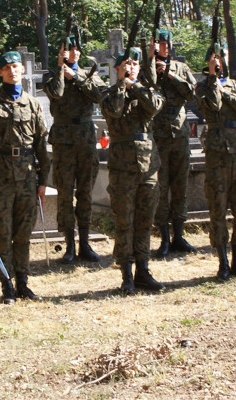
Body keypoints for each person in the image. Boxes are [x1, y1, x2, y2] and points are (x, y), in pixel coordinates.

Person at [0, 51, 50, 304]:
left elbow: (41, 144)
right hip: (0, 176)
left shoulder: (32, 103)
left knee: (24, 232)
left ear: (22, 71)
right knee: (2, 231)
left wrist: (43, 181)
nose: (13, 71)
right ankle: (6, 283)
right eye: (7, 68)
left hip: (27, 176)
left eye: (16, 66)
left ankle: (23, 282)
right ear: (0, 73)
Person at [102, 47, 165, 294]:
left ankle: (143, 270)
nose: (131, 68)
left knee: (145, 220)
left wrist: (136, 85)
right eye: (126, 65)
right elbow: (114, 111)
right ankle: (126, 273)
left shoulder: (148, 91)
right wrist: (122, 85)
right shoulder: (110, 94)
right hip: (122, 167)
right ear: (117, 69)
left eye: (135, 65)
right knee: (124, 221)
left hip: (149, 165)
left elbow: (153, 108)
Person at [196, 44, 236, 279]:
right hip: (217, 153)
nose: (219, 61)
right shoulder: (202, 87)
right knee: (218, 208)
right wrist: (212, 80)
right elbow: (212, 105)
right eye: (215, 58)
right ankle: (222, 260)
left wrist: (226, 90)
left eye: (222, 57)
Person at [43, 36, 104, 264]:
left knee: (85, 191)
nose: (74, 53)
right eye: (68, 49)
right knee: (65, 193)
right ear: (60, 52)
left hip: (86, 139)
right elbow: (56, 93)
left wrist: (75, 76)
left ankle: (85, 243)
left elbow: (98, 95)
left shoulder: (90, 75)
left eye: (76, 49)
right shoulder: (51, 75)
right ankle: (69, 244)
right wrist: (61, 70)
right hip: (63, 141)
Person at [148, 30, 199, 257]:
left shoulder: (181, 68)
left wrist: (170, 74)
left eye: (167, 43)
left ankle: (179, 234)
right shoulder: (147, 67)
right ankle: (164, 238)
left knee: (180, 184)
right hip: (158, 133)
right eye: (160, 43)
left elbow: (191, 93)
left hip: (179, 132)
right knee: (162, 186)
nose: (165, 47)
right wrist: (151, 64)